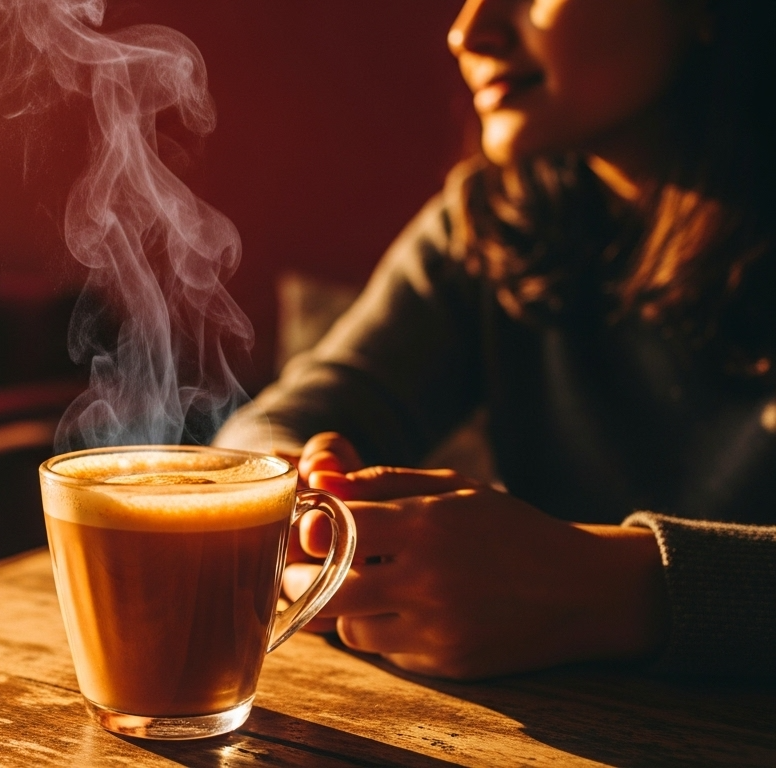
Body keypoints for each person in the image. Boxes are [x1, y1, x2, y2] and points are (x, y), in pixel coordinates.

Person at [214, 0, 775, 680]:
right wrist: (291, 480)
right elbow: (300, 409)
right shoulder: (492, 221)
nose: (467, 33)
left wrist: (612, 588)